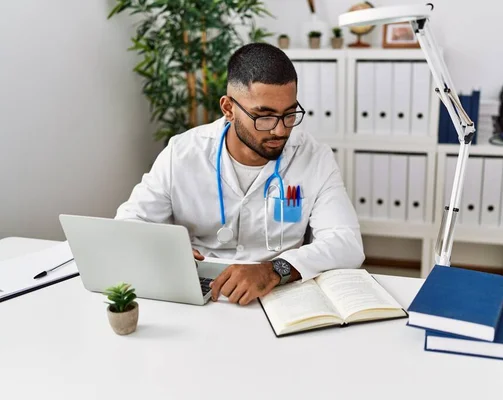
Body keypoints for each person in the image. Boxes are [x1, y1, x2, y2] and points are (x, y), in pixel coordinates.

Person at [115, 43, 364, 305]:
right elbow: (129, 221)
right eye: (264, 116)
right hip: (200, 291)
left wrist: (274, 270)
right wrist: (165, 251)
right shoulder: (182, 153)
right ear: (228, 108)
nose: (280, 131)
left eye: (289, 114)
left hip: (279, 292)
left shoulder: (314, 158)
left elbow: (346, 242)